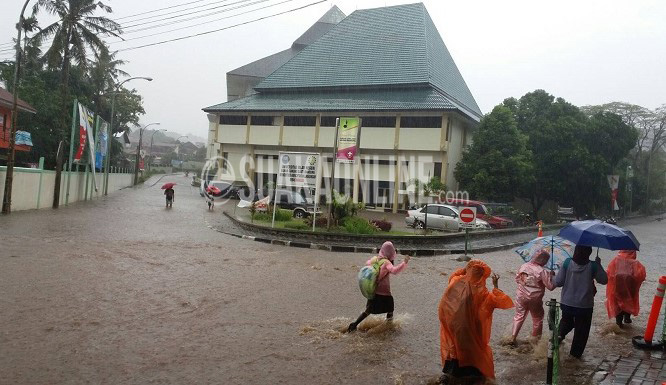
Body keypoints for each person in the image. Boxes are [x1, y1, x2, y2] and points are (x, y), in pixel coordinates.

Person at [438, 260, 514, 383]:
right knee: (472, 347)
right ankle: (470, 373)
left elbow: (453, 275)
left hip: (451, 322)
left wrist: (464, 269)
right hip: (469, 327)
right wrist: (495, 286)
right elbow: (498, 301)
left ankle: (450, 374)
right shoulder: (481, 291)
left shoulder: (456, 281)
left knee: (454, 345)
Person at [554, 245, 608, 359]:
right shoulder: (593, 266)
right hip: (584, 305)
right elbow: (604, 280)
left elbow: (558, 282)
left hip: (567, 302)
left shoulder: (567, 263)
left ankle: (559, 335)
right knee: (581, 331)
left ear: (576, 251)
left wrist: (552, 277)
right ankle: (574, 357)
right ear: (589, 252)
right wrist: (599, 264)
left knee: (566, 321)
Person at [347, 241, 410, 332]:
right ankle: (389, 327)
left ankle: (354, 324)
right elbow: (394, 271)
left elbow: (367, 265)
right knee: (390, 309)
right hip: (384, 292)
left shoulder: (374, 259)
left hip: (373, 289)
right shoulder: (387, 263)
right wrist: (404, 262)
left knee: (368, 310)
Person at [510, 249, 556, 345]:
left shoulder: (524, 266)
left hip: (521, 296)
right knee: (537, 318)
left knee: (519, 316)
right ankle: (535, 341)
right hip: (535, 299)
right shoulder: (542, 271)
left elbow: (517, 279)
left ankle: (513, 337)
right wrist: (551, 276)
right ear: (544, 261)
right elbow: (550, 286)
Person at [605, 250, 646, 328]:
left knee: (618, 303)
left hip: (617, 287)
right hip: (631, 288)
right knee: (629, 301)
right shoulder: (635, 263)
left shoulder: (615, 260)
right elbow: (642, 275)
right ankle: (627, 318)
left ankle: (619, 322)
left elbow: (609, 273)